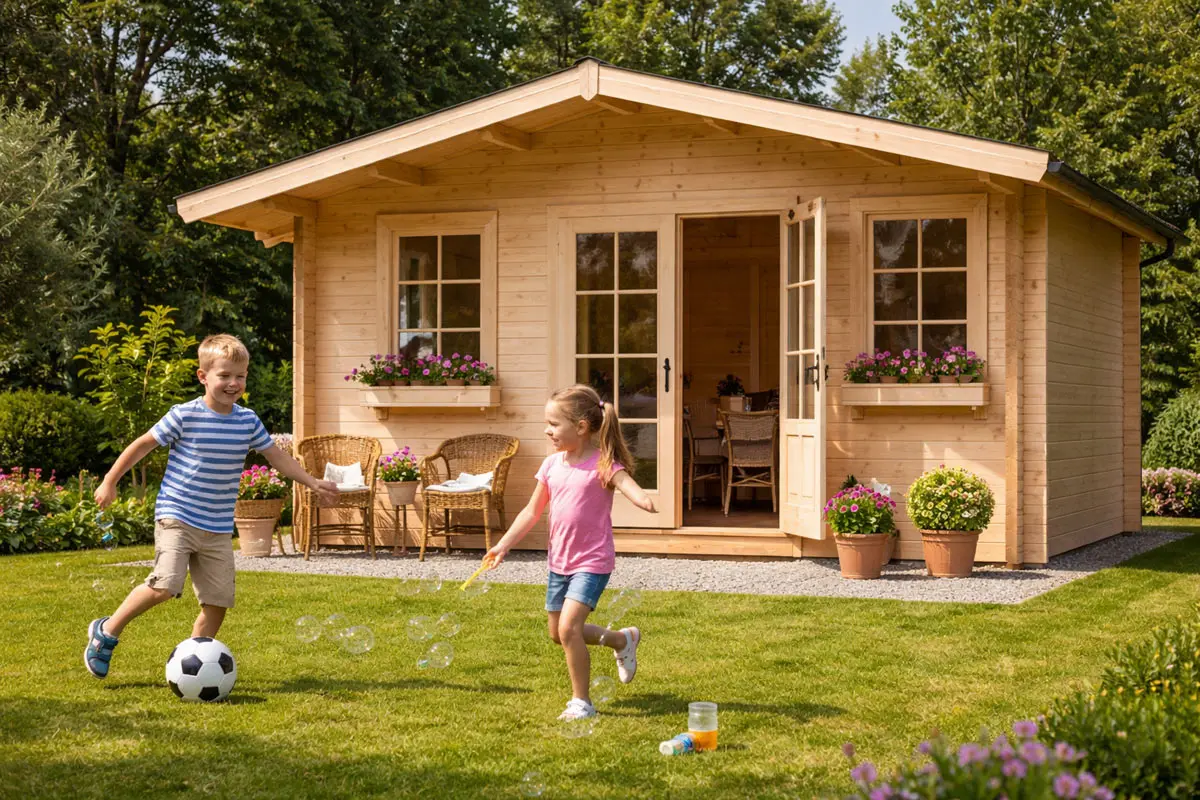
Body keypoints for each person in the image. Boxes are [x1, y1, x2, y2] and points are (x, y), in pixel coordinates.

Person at [83, 334, 338, 678]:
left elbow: (277, 457)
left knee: (218, 602)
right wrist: (110, 480)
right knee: (164, 586)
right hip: (178, 514)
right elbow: (143, 445)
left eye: (241, 376)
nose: (234, 383)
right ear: (203, 376)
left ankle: (194, 667)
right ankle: (107, 632)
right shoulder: (184, 415)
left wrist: (311, 481)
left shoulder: (247, 421)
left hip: (217, 525)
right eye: (224, 376)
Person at [485, 384, 655, 721]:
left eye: (554, 424)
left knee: (568, 630)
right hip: (558, 562)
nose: (548, 431)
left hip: (592, 562)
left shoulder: (603, 464)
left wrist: (642, 498)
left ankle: (582, 703)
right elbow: (532, 512)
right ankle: (622, 640)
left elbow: (625, 483)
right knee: (557, 634)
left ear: (581, 427)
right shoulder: (551, 466)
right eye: (547, 423)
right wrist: (503, 544)